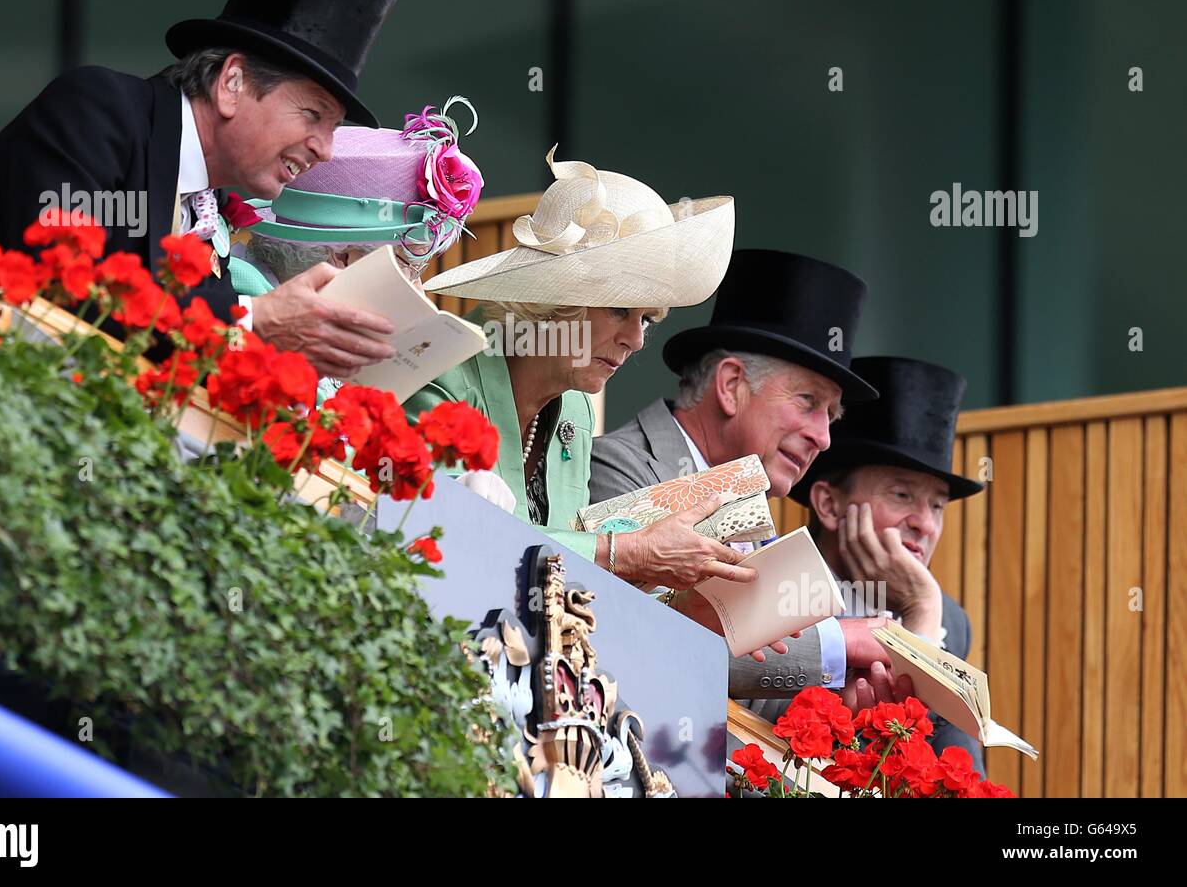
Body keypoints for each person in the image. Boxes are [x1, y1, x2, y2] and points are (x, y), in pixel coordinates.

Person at [0, 0, 398, 380]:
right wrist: (254, 322)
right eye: (313, 114)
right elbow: (70, 282)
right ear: (232, 84)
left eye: (334, 128)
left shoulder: (206, 206)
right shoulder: (101, 112)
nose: (326, 147)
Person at [405, 148, 746, 579]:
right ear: (556, 301)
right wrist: (626, 552)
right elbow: (445, 539)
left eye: (647, 319)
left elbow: (564, 573)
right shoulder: (443, 376)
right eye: (620, 310)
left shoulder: (575, 408)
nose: (636, 340)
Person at [590, 249, 904, 703]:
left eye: (831, 417)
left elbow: (746, 692)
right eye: (808, 402)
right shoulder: (620, 466)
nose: (824, 438)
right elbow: (649, 636)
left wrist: (841, 699)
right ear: (731, 385)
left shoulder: (751, 512)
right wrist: (839, 642)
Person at [786, 355, 987, 773]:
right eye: (901, 495)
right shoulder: (777, 588)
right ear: (829, 504)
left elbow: (961, 773)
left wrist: (924, 610)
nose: (925, 523)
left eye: (937, 505)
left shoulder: (947, 616)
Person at [228, 97, 484, 391]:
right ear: (345, 260)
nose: (419, 289)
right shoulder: (235, 304)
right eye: (408, 266)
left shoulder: (336, 342)